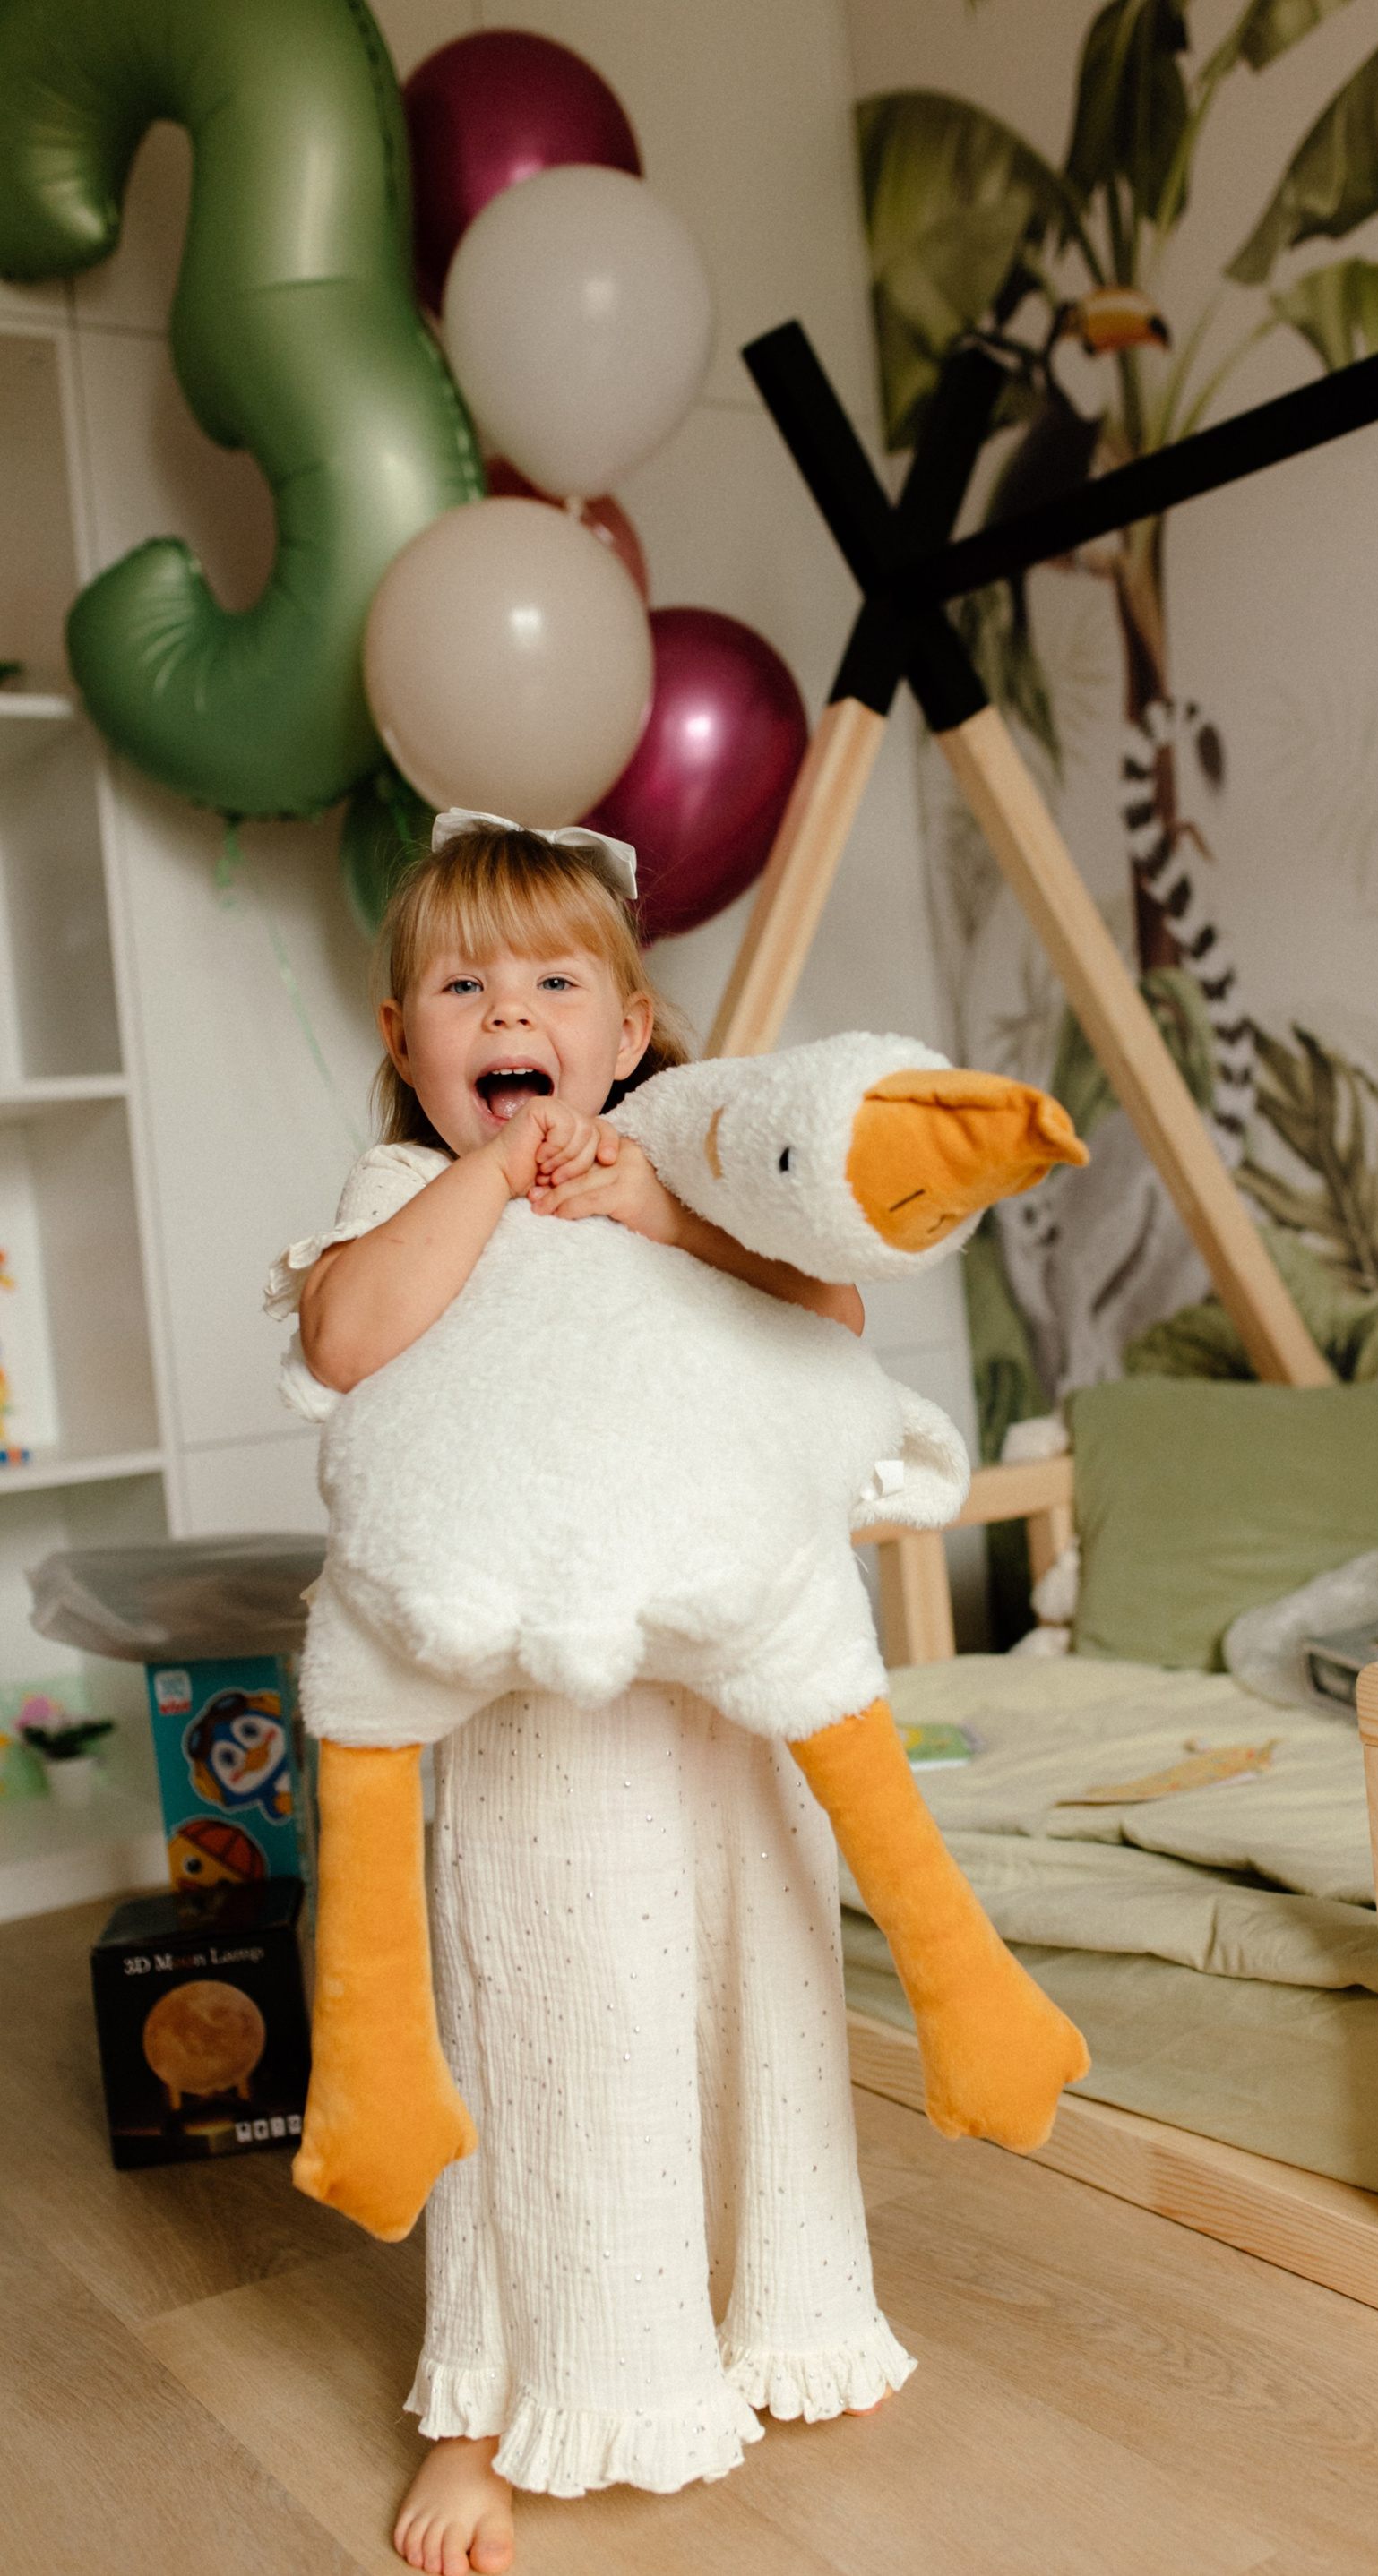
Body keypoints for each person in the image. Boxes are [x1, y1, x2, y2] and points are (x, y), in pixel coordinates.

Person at [268, 812, 909, 2576]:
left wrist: (656, 1208)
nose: (509, 1012)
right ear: (407, 1044)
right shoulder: (403, 1194)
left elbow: (834, 1317)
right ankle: (482, 2407)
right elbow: (345, 1338)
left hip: (713, 1705)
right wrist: (489, 1178)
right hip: (537, 1721)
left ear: (628, 1031)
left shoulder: (681, 1168)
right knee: (546, 2036)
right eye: (462, 987)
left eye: (555, 982)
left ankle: (781, 2311)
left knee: (754, 2003)